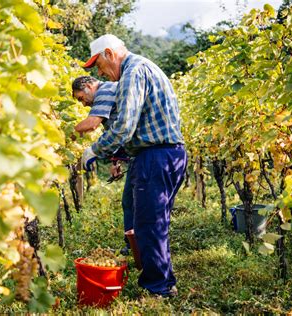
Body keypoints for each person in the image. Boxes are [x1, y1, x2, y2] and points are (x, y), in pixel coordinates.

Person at [81, 34, 187, 297]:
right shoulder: (144, 66)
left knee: (148, 225)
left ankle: (158, 288)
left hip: (154, 156)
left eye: (99, 65)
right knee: (155, 223)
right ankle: (163, 282)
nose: (101, 73)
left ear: (109, 53)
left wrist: (95, 150)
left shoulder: (133, 71)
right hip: (169, 154)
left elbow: (125, 126)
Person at [71, 75, 133, 256]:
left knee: (134, 202)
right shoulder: (107, 93)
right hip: (134, 153)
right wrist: (116, 161)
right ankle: (133, 244)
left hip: (146, 154)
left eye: (82, 98)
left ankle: (139, 247)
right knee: (130, 201)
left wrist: (67, 134)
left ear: (90, 86)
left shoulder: (105, 90)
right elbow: (114, 130)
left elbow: (92, 123)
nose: (83, 104)